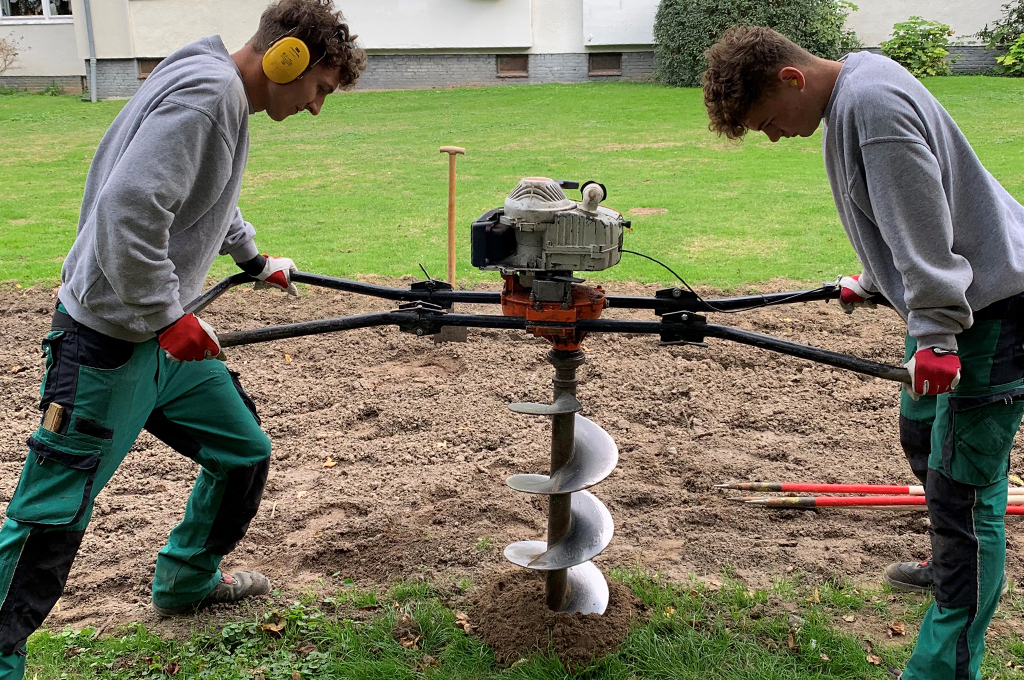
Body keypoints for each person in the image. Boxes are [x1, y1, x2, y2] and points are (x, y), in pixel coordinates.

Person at [0, 1, 366, 676]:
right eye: (320, 88)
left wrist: (253, 259)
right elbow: (129, 208)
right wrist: (170, 317)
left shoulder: (216, 88)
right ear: (288, 59)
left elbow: (202, 192)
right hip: (108, 343)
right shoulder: (208, 97)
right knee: (48, 521)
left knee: (242, 451)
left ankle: (187, 580)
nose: (317, 107)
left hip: (159, 342)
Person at [702, 26, 1024, 680]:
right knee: (921, 431)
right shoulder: (858, 87)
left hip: (988, 309)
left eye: (767, 122)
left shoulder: (869, 108)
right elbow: (896, 210)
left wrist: (933, 333)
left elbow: (924, 221)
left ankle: (946, 665)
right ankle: (946, 562)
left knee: (966, 495)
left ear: (791, 79)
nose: (773, 137)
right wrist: (875, 281)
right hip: (957, 298)